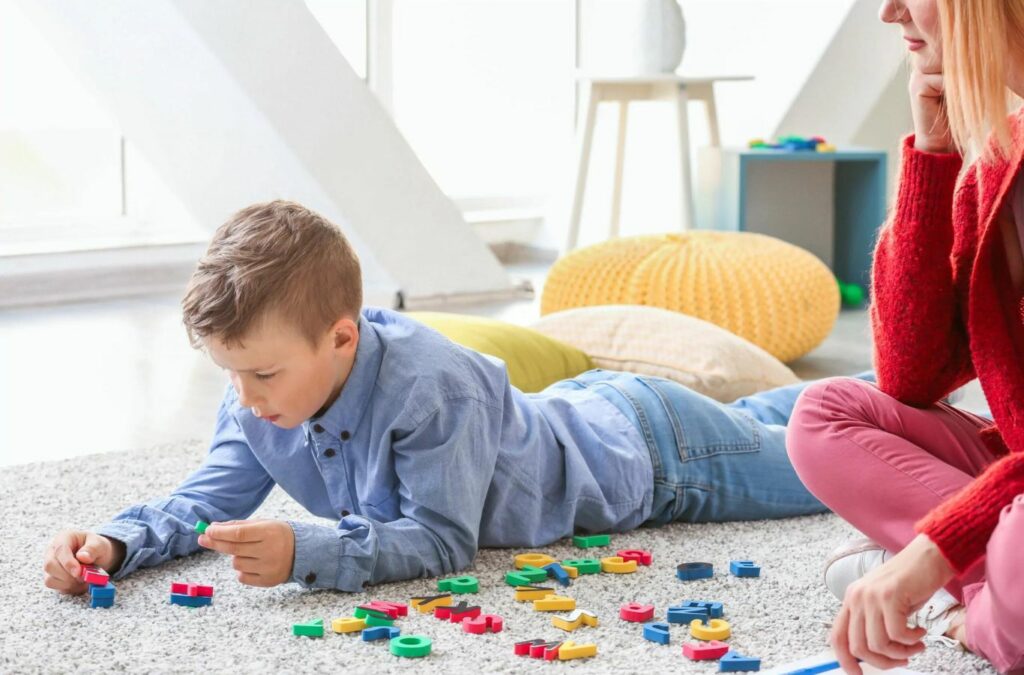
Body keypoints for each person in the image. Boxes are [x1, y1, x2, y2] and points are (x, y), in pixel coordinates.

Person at [43, 199, 833, 597]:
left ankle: (928, 396)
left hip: (656, 458)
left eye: (264, 375)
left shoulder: (429, 384)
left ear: (342, 338)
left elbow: (441, 540)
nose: (246, 400)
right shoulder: (254, 398)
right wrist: (114, 544)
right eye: (231, 375)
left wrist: (306, 550)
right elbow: (202, 502)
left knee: (832, 460)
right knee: (790, 411)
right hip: (592, 412)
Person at [786, 1, 1024, 673]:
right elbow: (908, 377)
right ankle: (991, 581)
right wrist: (933, 158)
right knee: (823, 412)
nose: (889, 11)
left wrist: (935, 550)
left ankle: (966, 609)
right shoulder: (1001, 162)